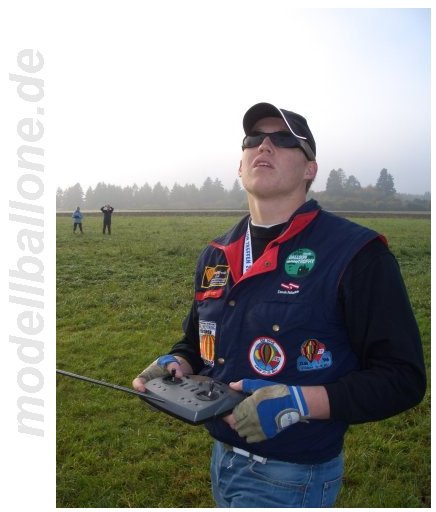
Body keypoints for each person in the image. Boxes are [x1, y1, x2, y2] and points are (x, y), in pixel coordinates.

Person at [132, 102, 426, 508]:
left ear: (310, 169)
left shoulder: (357, 253)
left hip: (293, 476)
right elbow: (197, 344)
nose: (264, 145)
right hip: (222, 459)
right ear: (240, 167)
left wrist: (301, 403)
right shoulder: (216, 254)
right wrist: (177, 363)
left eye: (284, 140)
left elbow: (402, 378)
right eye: (254, 139)